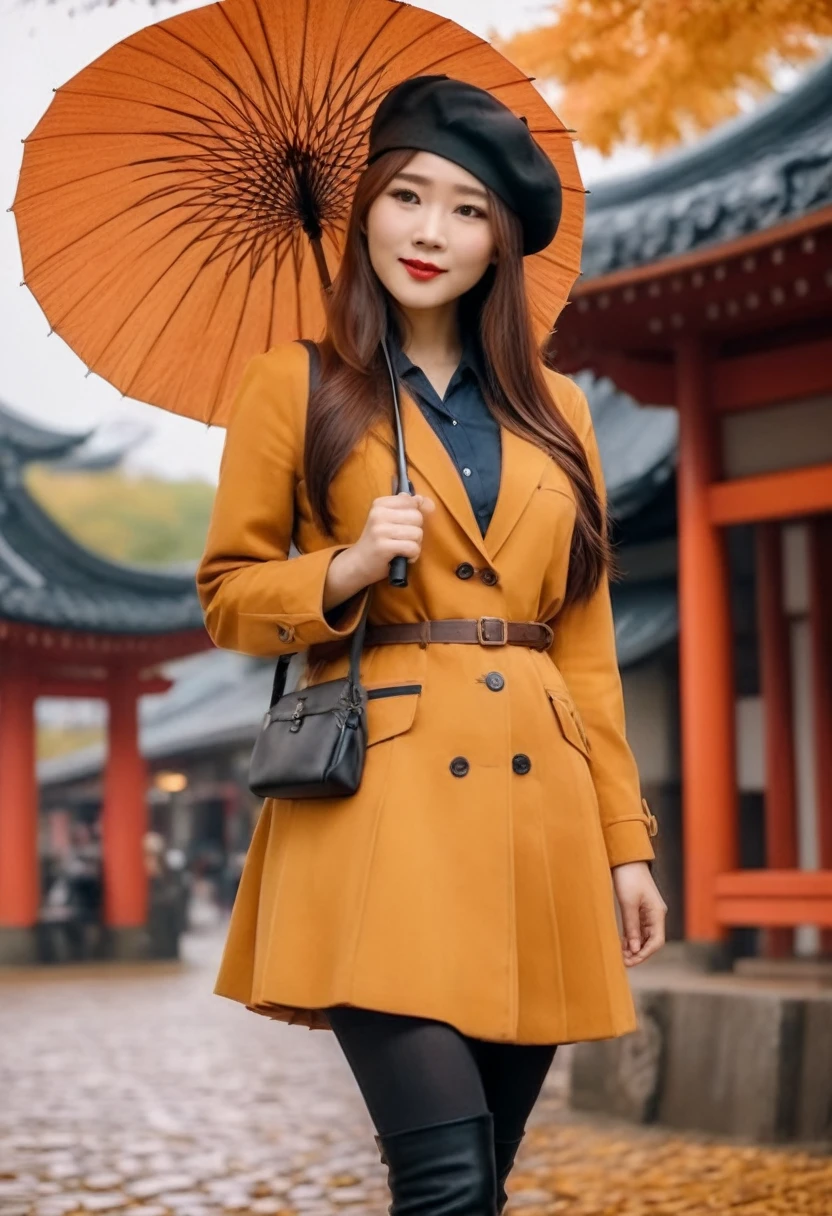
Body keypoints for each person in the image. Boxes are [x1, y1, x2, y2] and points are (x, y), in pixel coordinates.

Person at [197, 75, 667, 1216]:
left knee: (485, 1179)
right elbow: (226, 596)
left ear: (500, 245)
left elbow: (586, 646)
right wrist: (345, 569)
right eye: (408, 195)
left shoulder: (558, 408)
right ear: (363, 208)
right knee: (445, 1178)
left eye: (466, 210)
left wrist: (624, 840)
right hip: (380, 809)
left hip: (536, 817)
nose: (430, 231)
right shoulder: (297, 385)